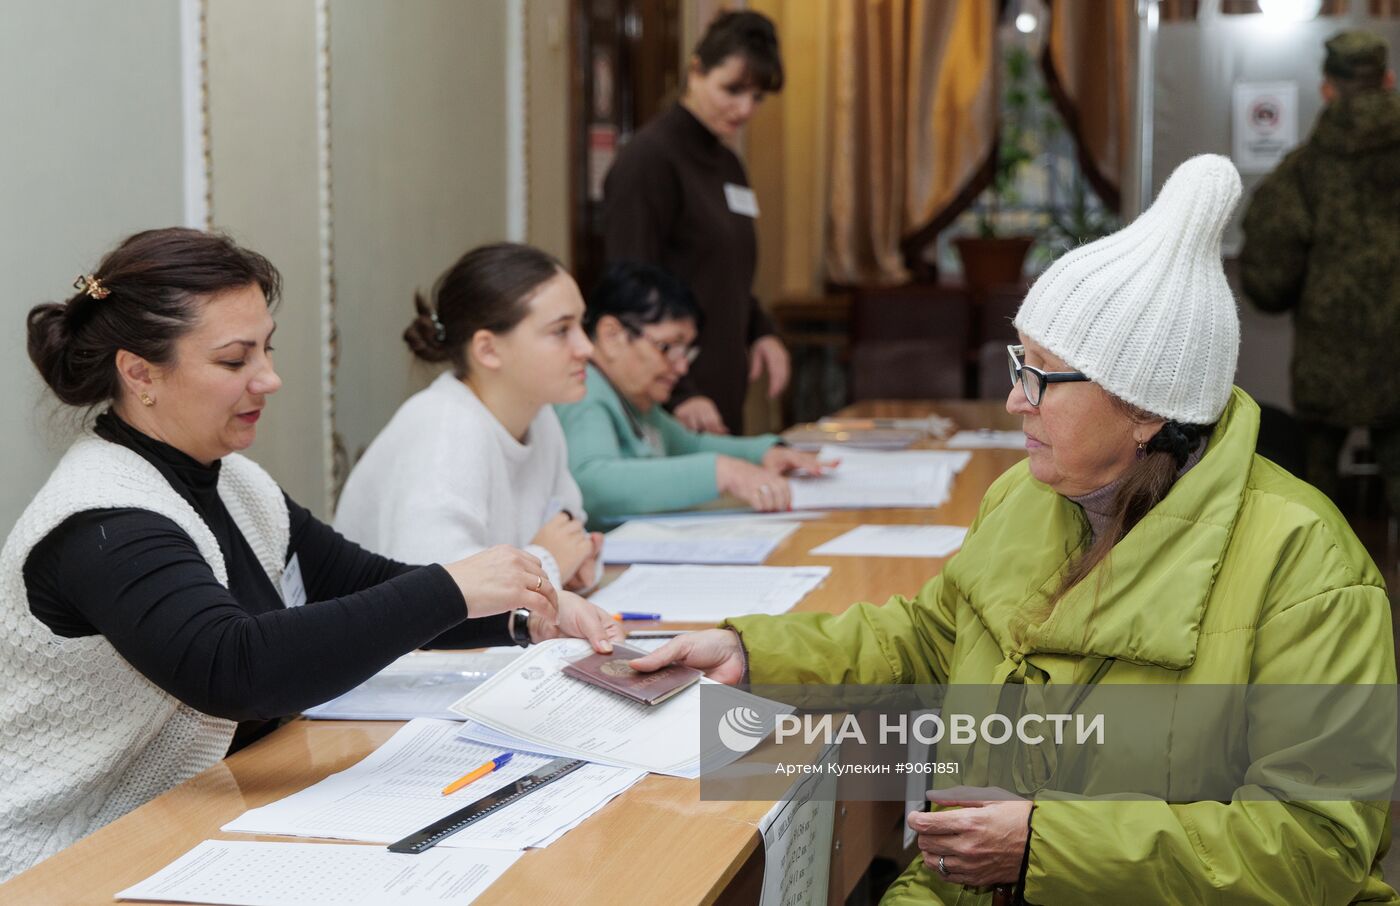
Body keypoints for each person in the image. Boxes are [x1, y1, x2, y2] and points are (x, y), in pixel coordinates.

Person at [632, 156, 1399, 903]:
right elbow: (927, 638)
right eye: (1016, 361)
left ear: (1145, 411)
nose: (1013, 400)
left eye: (1043, 375)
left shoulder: (1309, 569)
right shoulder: (1025, 497)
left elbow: (1319, 846)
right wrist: (749, 650)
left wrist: (1046, 844)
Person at [0, 228, 616, 881]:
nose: (269, 378)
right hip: (72, 855)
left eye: (266, 350)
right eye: (235, 362)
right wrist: (456, 588)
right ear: (140, 373)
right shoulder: (104, 520)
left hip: (205, 813)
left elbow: (360, 584)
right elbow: (237, 668)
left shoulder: (235, 481)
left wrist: (521, 613)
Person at [335, 243, 603, 592]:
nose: (586, 348)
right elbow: (436, 594)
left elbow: (567, 528)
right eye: (560, 331)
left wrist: (575, 565)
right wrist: (548, 565)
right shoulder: (445, 427)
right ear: (488, 350)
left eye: (581, 325)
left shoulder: (541, 416)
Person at [602, 9, 788, 435]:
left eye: (757, 97)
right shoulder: (648, 162)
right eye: (733, 89)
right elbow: (630, 290)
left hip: (722, 395)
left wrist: (762, 331)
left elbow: (725, 272)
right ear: (696, 70)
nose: (745, 109)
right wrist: (681, 391)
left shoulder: (727, 163)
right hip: (671, 404)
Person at [1240, 30, 1400, 518]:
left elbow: (1268, 278)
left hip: (1325, 365)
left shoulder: (1302, 172)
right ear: (1388, 80)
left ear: (1327, 87)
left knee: (1315, 505)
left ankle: (1326, 591)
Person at [556, 261, 823, 528]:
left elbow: (690, 445)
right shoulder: (586, 392)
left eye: (687, 351)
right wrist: (721, 472)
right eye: (668, 347)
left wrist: (763, 452)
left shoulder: (634, 401)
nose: (682, 366)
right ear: (612, 335)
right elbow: (593, 484)